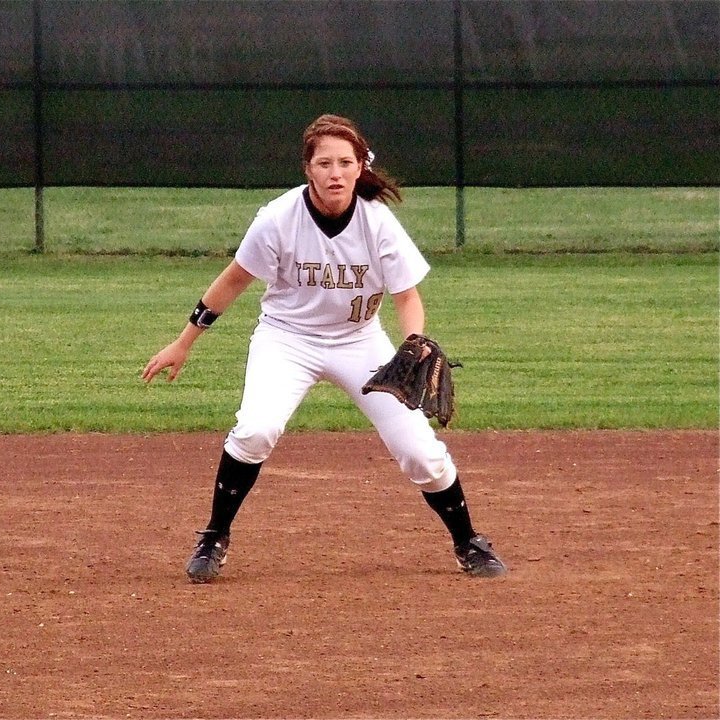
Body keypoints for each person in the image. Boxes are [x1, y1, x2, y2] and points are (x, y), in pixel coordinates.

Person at [142, 114, 506, 583]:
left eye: (345, 162)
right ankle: (214, 536)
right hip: (286, 339)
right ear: (307, 170)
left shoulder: (378, 223)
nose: (335, 172)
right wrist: (184, 341)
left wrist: (413, 343)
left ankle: (468, 541)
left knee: (420, 451)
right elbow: (233, 281)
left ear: (359, 169)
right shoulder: (278, 218)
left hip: (360, 341)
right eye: (324, 163)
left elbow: (407, 297)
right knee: (256, 430)